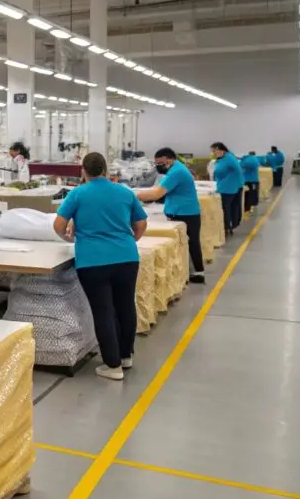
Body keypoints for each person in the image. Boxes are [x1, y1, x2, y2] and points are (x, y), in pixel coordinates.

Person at [54, 152, 147, 380]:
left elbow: (58, 224)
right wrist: (130, 240)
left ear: (83, 171)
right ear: (106, 170)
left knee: (103, 310)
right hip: (126, 258)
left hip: (93, 261)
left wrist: (69, 238)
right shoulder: (125, 192)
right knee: (125, 306)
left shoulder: (77, 194)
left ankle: (112, 365)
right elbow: (141, 223)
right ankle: (126, 356)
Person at [137, 148, 204, 284]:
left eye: (159, 163)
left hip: (185, 213)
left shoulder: (176, 172)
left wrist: (131, 195)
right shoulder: (176, 169)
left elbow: (157, 193)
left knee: (191, 243)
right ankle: (190, 272)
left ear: (168, 159)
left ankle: (198, 272)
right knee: (187, 243)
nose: (158, 166)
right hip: (183, 211)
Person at [211, 142, 243, 237]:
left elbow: (238, 171)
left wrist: (237, 183)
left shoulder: (229, 158)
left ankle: (227, 227)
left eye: (214, 151)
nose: (213, 153)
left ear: (221, 149)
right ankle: (228, 226)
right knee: (227, 208)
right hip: (227, 186)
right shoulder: (224, 158)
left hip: (228, 188)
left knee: (226, 208)